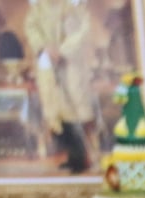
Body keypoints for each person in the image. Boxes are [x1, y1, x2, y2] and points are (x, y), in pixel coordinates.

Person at [24, 0, 95, 174]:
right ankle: (71, 156)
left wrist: (63, 51)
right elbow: (31, 28)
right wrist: (44, 48)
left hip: (70, 66)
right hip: (48, 65)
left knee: (74, 112)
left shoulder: (72, 7)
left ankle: (82, 159)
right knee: (56, 115)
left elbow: (83, 29)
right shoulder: (39, 8)